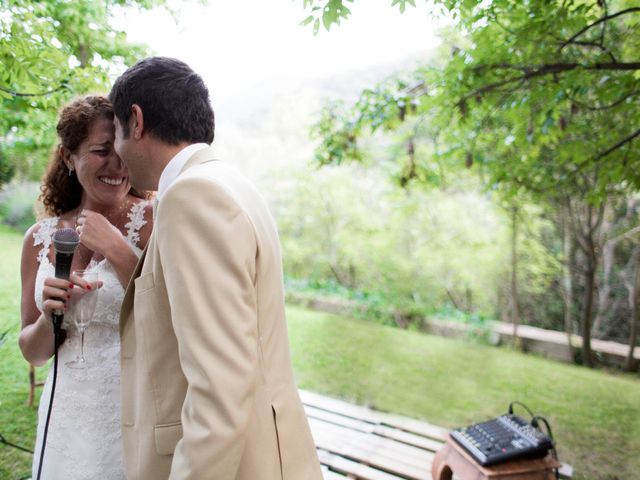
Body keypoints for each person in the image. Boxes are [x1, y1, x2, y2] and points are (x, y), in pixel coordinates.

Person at [110, 56, 323, 479]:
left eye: (115, 133)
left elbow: (220, 386)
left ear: (135, 121)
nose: (117, 155)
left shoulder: (193, 197)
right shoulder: (228, 181)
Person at [18, 95, 153, 479]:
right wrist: (49, 318)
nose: (117, 164)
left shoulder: (156, 221)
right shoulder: (39, 238)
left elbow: (173, 313)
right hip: (64, 417)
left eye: (123, 149)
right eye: (100, 151)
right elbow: (33, 351)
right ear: (67, 156)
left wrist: (116, 247)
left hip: (129, 413)